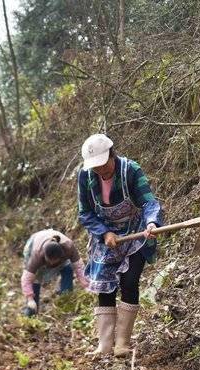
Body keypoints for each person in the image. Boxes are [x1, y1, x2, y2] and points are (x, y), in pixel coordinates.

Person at [77, 133, 163, 357]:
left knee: (130, 280)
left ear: (112, 154)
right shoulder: (85, 177)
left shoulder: (130, 170)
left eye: (103, 165)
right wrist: (104, 232)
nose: (100, 171)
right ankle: (104, 345)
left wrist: (152, 222)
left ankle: (122, 343)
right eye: (95, 167)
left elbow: (148, 202)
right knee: (105, 285)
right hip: (105, 235)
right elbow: (85, 213)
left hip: (135, 232)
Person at [20, 229, 89, 316]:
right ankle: (31, 312)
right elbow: (27, 279)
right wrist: (30, 299)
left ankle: (66, 300)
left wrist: (87, 285)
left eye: (54, 262)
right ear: (45, 256)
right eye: (50, 261)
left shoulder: (69, 248)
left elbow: (79, 268)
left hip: (59, 250)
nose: (52, 264)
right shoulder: (37, 255)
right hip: (36, 240)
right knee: (35, 280)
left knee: (68, 268)